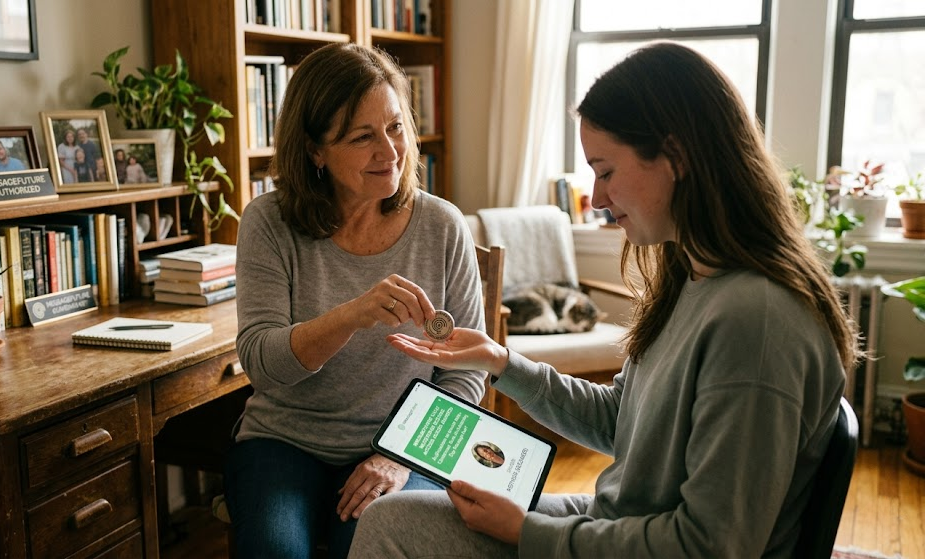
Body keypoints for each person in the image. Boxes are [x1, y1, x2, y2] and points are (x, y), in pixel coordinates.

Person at [350, 42, 861, 558]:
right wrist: (500, 361)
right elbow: (623, 424)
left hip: (641, 538)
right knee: (391, 519)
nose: (595, 198)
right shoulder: (693, 277)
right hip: (619, 519)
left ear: (676, 157)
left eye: (606, 170)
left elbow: (710, 546)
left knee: (392, 531)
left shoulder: (756, 321)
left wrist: (527, 533)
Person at [224, 42, 488, 559]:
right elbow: (261, 364)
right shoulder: (268, 222)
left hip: (400, 447)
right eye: (363, 136)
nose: (389, 152)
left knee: (371, 549)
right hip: (283, 443)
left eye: (395, 128)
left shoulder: (442, 226)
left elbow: (466, 373)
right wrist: (352, 315)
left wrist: (401, 456)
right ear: (315, 150)